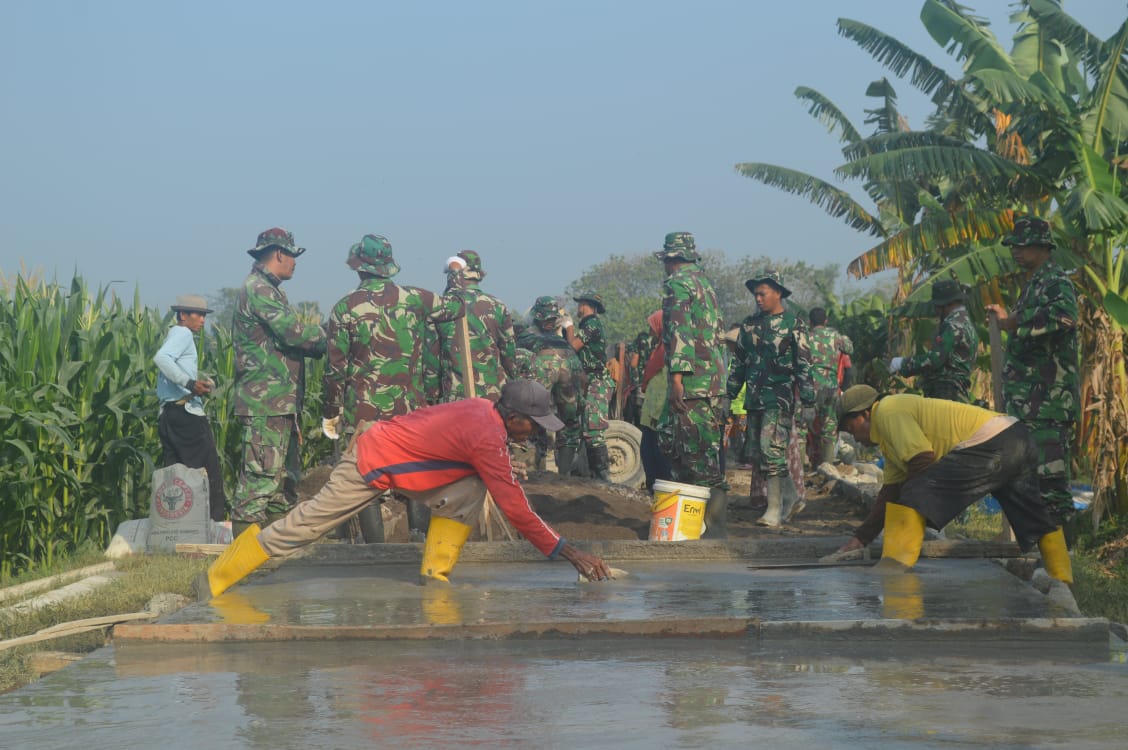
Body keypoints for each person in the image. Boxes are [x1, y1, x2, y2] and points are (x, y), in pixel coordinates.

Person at [200, 380, 613, 599]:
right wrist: (569, 553)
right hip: (373, 461)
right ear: (516, 416)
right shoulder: (488, 436)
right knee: (305, 526)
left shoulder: (484, 411)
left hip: (398, 456)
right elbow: (518, 511)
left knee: (471, 489)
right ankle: (216, 578)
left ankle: (435, 575)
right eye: (535, 424)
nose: (537, 432)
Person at [825, 385, 1072, 584]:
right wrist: (860, 539)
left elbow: (922, 460)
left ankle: (893, 571)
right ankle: (1062, 582)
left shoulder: (887, 411)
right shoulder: (890, 440)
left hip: (991, 443)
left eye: (850, 428)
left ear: (865, 413)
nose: (854, 437)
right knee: (1034, 517)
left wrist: (915, 501)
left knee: (914, 491)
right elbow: (889, 493)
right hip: (1017, 436)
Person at [321, 234, 467, 541]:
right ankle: (417, 539)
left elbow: (335, 370)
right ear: (389, 266)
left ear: (359, 268)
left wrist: (331, 412)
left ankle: (376, 548)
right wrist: (455, 274)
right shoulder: (415, 298)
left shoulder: (345, 308)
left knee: (366, 479)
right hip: (409, 411)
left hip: (365, 413)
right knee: (415, 473)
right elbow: (457, 307)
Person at [986, 215, 1080, 534]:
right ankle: (1046, 561)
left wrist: (1015, 321)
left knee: (1051, 485)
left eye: (1023, 246)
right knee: (1034, 483)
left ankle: (1060, 569)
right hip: (1031, 403)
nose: (1016, 252)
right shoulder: (1035, 284)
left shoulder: (1056, 282)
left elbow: (1066, 317)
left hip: (1049, 403)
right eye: (1014, 246)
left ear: (1043, 247)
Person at [232, 228, 328, 536]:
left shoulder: (270, 289)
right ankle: (242, 563)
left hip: (279, 402)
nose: (295, 263)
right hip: (265, 402)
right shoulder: (258, 288)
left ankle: (272, 556)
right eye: (293, 256)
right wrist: (332, 335)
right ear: (278, 254)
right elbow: (294, 333)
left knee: (283, 483)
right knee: (260, 481)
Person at [655, 231, 729, 538]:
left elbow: (679, 333)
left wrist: (676, 379)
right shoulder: (706, 285)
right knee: (696, 451)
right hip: (712, 380)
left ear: (671, 259)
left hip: (693, 382)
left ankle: (712, 531)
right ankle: (699, 525)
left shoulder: (678, 284)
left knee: (696, 457)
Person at [727, 270, 814, 527]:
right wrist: (728, 396)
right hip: (754, 398)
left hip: (780, 397)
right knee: (759, 454)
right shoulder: (749, 325)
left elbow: (804, 365)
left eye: (762, 293)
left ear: (778, 293)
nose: (758, 298)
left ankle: (774, 510)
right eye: (755, 293)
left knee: (771, 449)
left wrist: (809, 401)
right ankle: (791, 496)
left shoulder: (793, 324)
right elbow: (739, 364)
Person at [153, 294, 226, 522]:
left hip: (169, 414)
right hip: (186, 415)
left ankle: (177, 528)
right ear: (183, 315)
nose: (203, 320)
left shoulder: (175, 334)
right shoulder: (183, 333)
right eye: (198, 314)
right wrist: (190, 384)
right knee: (207, 473)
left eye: (204, 315)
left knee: (176, 476)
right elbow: (161, 358)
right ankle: (212, 526)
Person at [435, 250, 517, 402]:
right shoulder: (498, 306)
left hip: (455, 396)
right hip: (492, 394)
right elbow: (509, 353)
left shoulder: (442, 305)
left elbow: (432, 356)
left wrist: (432, 395)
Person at [890, 279, 979, 403]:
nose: (935, 311)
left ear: (946, 304)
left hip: (946, 392)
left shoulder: (953, 326)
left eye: (937, 306)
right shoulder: (966, 322)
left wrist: (902, 364)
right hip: (958, 391)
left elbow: (934, 360)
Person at [524, 296, 584, 475]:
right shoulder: (555, 340)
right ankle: (544, 471)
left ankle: (555, 474)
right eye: (547, 319)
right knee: (544, 422)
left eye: (552, 319)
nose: (550, 322)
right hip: (567, 372)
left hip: (559, 376)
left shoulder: (526, 336)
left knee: (562, 422)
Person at [562, 291, 612, 481]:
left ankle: (603, 477)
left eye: (580, 304)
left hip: (596, 382)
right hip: (588, 381)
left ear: (586, 305)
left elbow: (571, 348)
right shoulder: (590, 324)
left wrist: (569, 328)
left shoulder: (591, 324)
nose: (578, 308)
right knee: (586, 428)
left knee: (593, 430)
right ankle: (592, 475)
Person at [802, 307, 853, 465]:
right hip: (830, 388)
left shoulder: (804, 337)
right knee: (829, 427)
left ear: (809, 322)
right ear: (826, 321)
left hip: (811, 388)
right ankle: (827, 469)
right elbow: (849, 348)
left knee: (801, 426)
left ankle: (801, 466)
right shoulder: (835, 336)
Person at [638, 310, 673, 490]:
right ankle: (653, 488)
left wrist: (659, 412)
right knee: (647, 452)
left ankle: (660, 490)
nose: (650, 330)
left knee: (659, 455)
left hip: (659, 414)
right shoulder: (659, 349)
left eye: (653, 326)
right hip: (650, 413)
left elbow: (666, 386)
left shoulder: (668, 351)